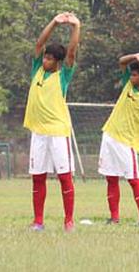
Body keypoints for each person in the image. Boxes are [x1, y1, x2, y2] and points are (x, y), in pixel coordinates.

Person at [24, 12, 82, 232]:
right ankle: (38, 221)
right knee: (37, 177)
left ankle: (69, 221)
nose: (45, 60)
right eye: (45, 57)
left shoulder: (62, 76)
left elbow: (72, 52)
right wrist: (55, 22)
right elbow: (40, 43)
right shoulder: (37, 70)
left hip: (58, 132)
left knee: (65, 177)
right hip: (38, 132)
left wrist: (76, 26)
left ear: (57, 63)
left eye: (49, 59)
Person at [98, 53, 139, 226]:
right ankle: (114, 217)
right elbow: (121, 61)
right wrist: (136, 56)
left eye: (135, 75)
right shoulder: (128, 86)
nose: (131, 77)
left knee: (133, 180)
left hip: (127, 142)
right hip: (110, 135)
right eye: (131, 75)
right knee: (111, 178)